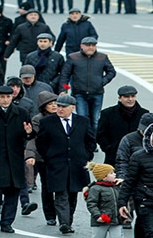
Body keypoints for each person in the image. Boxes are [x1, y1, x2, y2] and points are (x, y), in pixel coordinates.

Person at [0, 85, 35, 234]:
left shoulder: (21, 113)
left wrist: (29, 133)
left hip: (14, 159)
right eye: (2, 97)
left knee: (13, 193)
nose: (5, 100)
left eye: (8, 97)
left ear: (12, 97)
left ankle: (7, 222)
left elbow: (28, 134)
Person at [37, 94, 96, 235]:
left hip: (77, 165)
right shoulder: (47, 122)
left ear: (72, 108)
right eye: (59, 106)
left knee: (72, 194)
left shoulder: (82, 121)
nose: (60, 109)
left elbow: (90, 141)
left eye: (64, 107)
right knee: (60, 193)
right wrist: (49, 156)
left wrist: (86, 156)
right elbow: (41, 142)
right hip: (57, 164)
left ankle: (67, 221)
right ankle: (64, 222)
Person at [59, 36, 116, 133]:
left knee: (95, 120)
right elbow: (65, 75)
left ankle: (92, 142)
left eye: (93, 45)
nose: (90, 47)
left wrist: (102, 82)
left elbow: (111, 72)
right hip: (79, 93)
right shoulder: (73, 57)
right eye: (88, 45)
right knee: (82, 118)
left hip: (97, 93)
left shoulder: (102, 57)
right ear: (81, 46)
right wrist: (64, 89)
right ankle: (83, 141)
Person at [25, 91, 59, 225]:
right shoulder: (38, 119)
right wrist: (31, 154)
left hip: (59, 157)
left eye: (55, 103)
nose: (54, 106)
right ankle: (50, 215)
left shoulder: (62, 116)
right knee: (47, 187)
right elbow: (35, 138)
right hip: (43, 158)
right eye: (50, 104)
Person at [96, 85, 149, 166]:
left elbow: (149, 134)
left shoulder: (144, 114)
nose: (130, 99)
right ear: (120, 98)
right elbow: (100, 134)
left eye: (133, 96)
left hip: (139, 157)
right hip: (114, 157)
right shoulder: (107, 114)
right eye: (126, 97)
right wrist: (109, 149)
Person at [84, 162, 123, 238]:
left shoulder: (116, 187)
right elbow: (91, 204)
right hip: (101, 220)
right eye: (111, 173)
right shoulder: (95, 188)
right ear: (104, 177)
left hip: (116, 219)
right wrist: (98, 216)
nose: (115, 174)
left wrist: (123, 183)